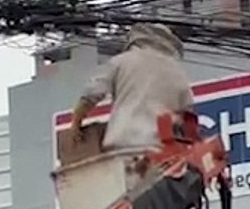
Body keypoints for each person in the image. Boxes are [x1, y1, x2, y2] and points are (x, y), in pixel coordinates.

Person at [70, 23, 195, 152]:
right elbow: (187, 115)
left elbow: (92, 93)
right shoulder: (177, 72)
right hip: (161, 150)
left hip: (124, 143)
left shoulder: (122, 61)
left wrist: (75, 123)